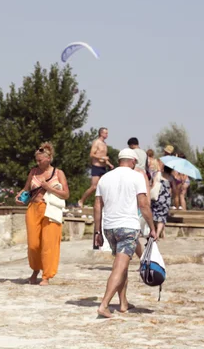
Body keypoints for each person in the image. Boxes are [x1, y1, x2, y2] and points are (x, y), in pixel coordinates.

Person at [93, 148, 156, 318]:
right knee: (120, 266)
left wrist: (97, 231)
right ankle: (104, 304)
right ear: (133, 161)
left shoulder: (105, 178)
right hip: (128, 227)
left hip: (109, 228)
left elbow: (98, 205)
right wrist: (152, 227)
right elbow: (143, 204)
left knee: (122, 266)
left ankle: (123, 303)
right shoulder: (137, 176)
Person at [15, 142, 69, 286]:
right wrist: (20, 196)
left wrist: (48, 188)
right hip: (33, 208)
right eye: (36, 160)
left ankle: (46, 275)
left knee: (49, 243)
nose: (37, 162)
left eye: (40, 160)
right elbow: (26, 189)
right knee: (33, 244)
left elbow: (66, 194)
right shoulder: (33, 172)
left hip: (50, 209)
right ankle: (35, 270)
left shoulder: (58, 173)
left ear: (49, 158)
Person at [77, 128, 114, 208]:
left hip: (103, 167)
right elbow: (92, 154)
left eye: (107, 133)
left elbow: (104, 157)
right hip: (96, 166)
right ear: (101, 133)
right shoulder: (96, 142)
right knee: (94, 187)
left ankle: (101, 204)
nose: (107, 135)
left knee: (103, 186)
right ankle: (81, 200)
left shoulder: (105, 144)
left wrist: (109, 164)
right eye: (105, 133)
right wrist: (102, 158)